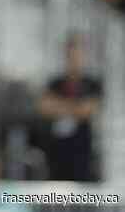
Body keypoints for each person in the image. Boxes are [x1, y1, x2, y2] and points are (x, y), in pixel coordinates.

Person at [38, 33, 102, 181]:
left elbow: (88, 109)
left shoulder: (92, 83)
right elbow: (44, 107)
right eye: (71, 55)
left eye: (78, 55)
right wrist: (76, 108)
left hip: (82, 152)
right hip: (57, 153)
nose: (74, 60)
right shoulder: (55, 82)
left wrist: (59, 107)